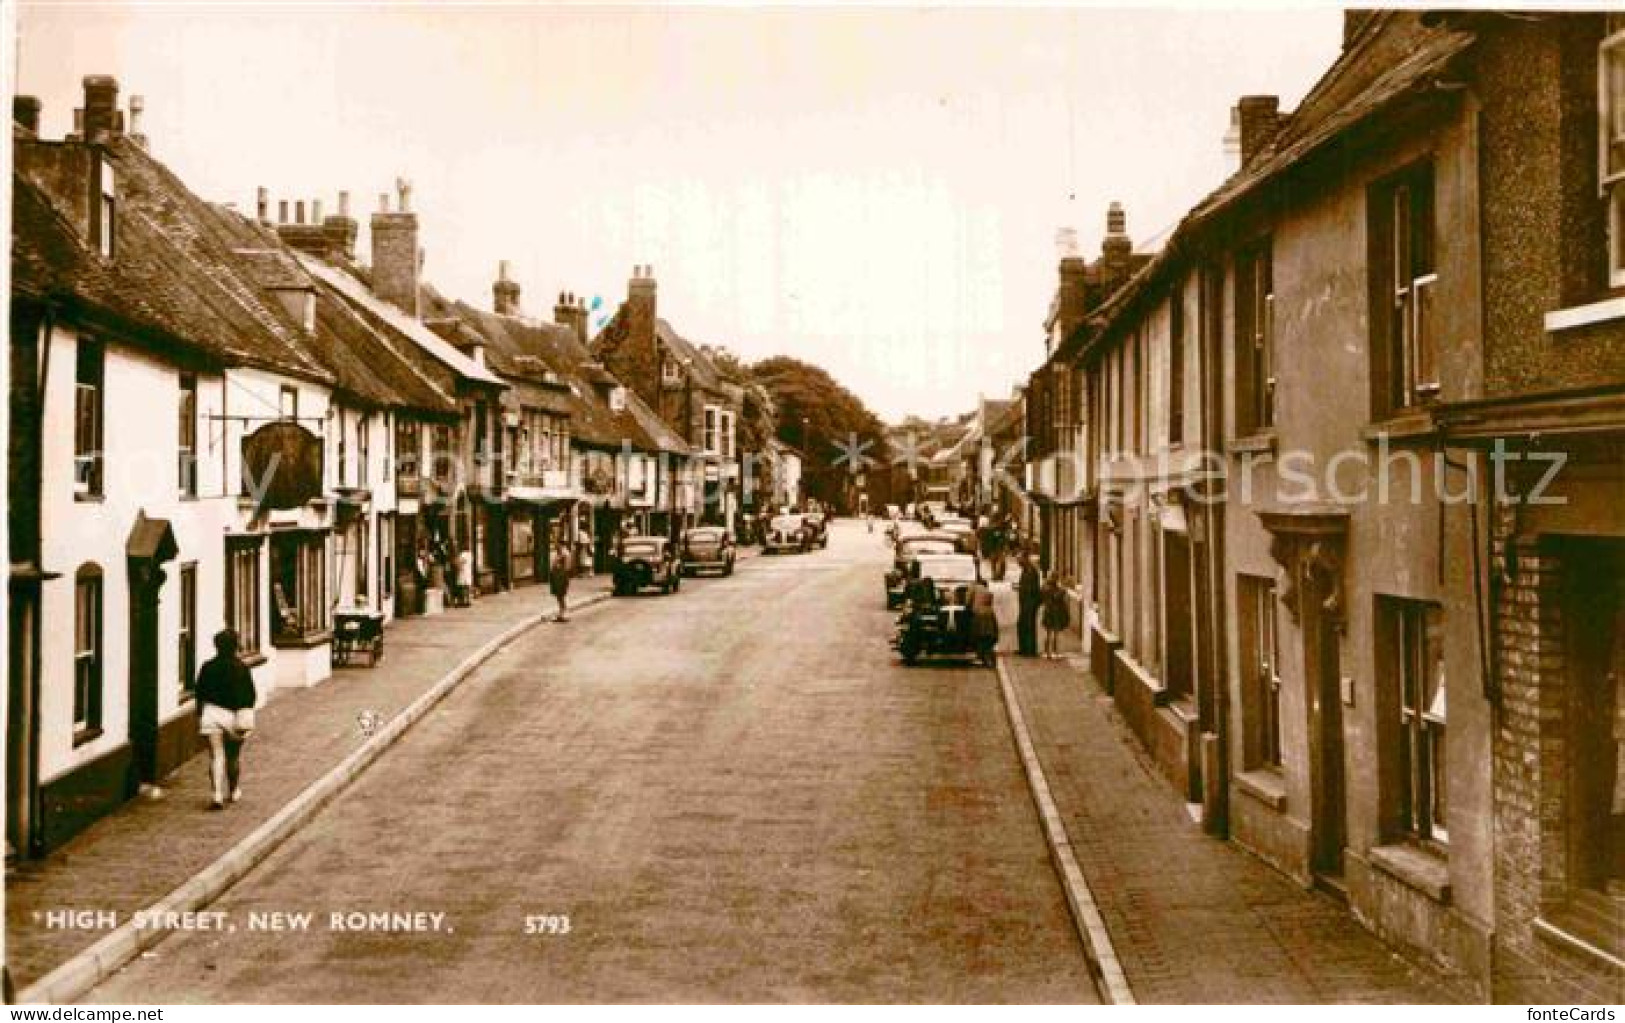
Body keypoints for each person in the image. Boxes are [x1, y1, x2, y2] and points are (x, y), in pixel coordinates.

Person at [195, 629, 258, 811]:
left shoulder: (207, 667)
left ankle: (216, 794)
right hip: (234, 715)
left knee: (216, 755)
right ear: (235, 646)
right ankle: (234, 790)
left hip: (211, 713)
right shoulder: (241, 668)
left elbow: (200, 693)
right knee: (233, 756)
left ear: (217, 646)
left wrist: (200, 715)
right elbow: (250, 696)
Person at [967, 576, 999, 667]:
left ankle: (981, 658)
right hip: (990, 615)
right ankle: (989, 657)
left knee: (979, 636)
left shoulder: (973, 588)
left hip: (979, 615)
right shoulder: (988, 592)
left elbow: (968, 601)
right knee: (988, 636)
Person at [1042, 571, 1073, 659]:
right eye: (1055, 577)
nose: (1055, 579)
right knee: (1053, 632)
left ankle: (1047, 652)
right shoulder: (1049, 587)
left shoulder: (1046, 586)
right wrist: (1064, 589)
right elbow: (1056, 597)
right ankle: (1052, 652)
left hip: (1048, 611)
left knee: (1049, 633)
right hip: (1053, 612)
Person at [1016, 551, 1042, 657]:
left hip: (1029, 603)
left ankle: (1029, 650)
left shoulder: (1030, 570)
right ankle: (1025, 649)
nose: (1018, 562)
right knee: (1023, 625)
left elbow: (1031, 589)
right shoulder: (1027, 569)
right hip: (1026, 603)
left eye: (1019, 560)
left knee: (1028, 625)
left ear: (1025, 559)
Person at [549, 543, 573, 622]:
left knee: (561, 595)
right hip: (557, 576)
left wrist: (558, 566)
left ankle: (564, 613)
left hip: (561, 577)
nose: (556, 546)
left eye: (558, 545)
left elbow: (567, 567)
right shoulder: (559, 553)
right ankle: (561, 613)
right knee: (559, 596)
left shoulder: (565, 554)